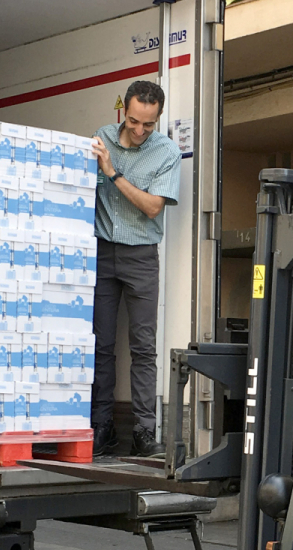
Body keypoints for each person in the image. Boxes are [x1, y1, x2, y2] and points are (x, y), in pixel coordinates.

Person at [89, 80, 182, 459]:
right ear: (122, 112)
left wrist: (112, 173)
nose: (140, 131)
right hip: (100, 249)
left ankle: (145, 432)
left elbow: (152, 207)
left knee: (143, 347)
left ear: (157, 118)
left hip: (141, 253)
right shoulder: (101, 138)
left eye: (148, 124)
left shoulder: (166, 152)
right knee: (100, 345)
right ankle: (102, 427)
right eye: (133, 121)